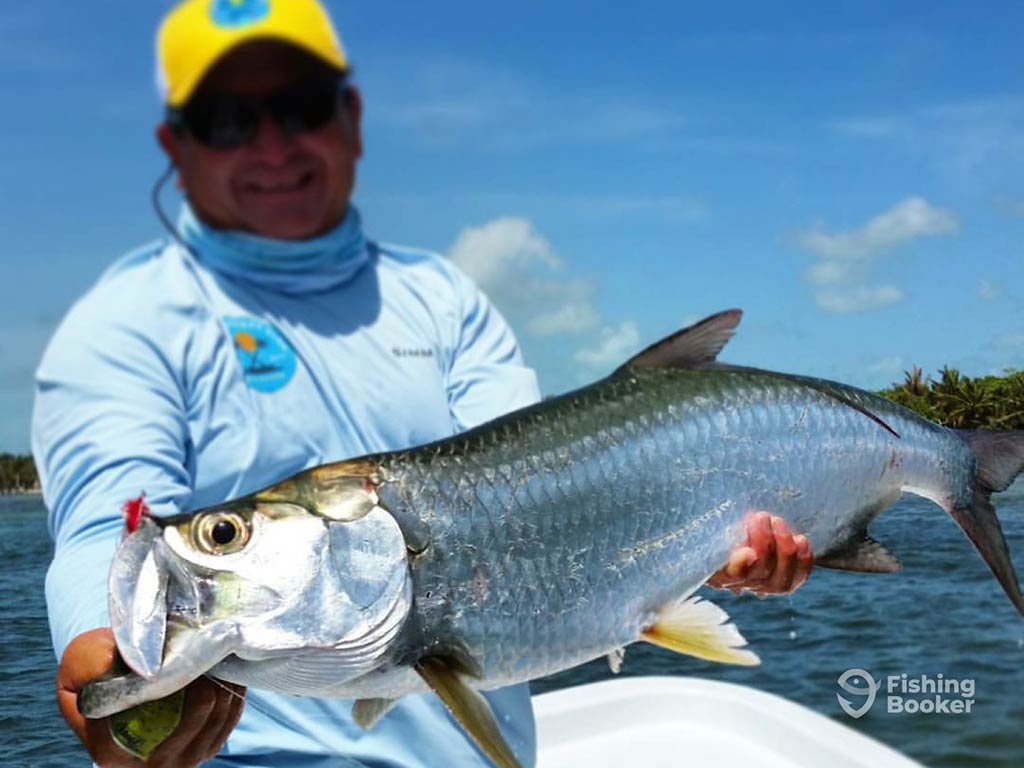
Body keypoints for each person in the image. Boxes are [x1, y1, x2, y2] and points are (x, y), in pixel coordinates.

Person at [33, 1, 813, 766]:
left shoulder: (443, 299)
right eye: (228, 119)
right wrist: (94, 635)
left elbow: (555, 489)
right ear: (177, 143)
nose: (271, 145)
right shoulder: (125, 322)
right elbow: (113, 512)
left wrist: (694, 539)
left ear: (351, 117)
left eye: (300, 107)